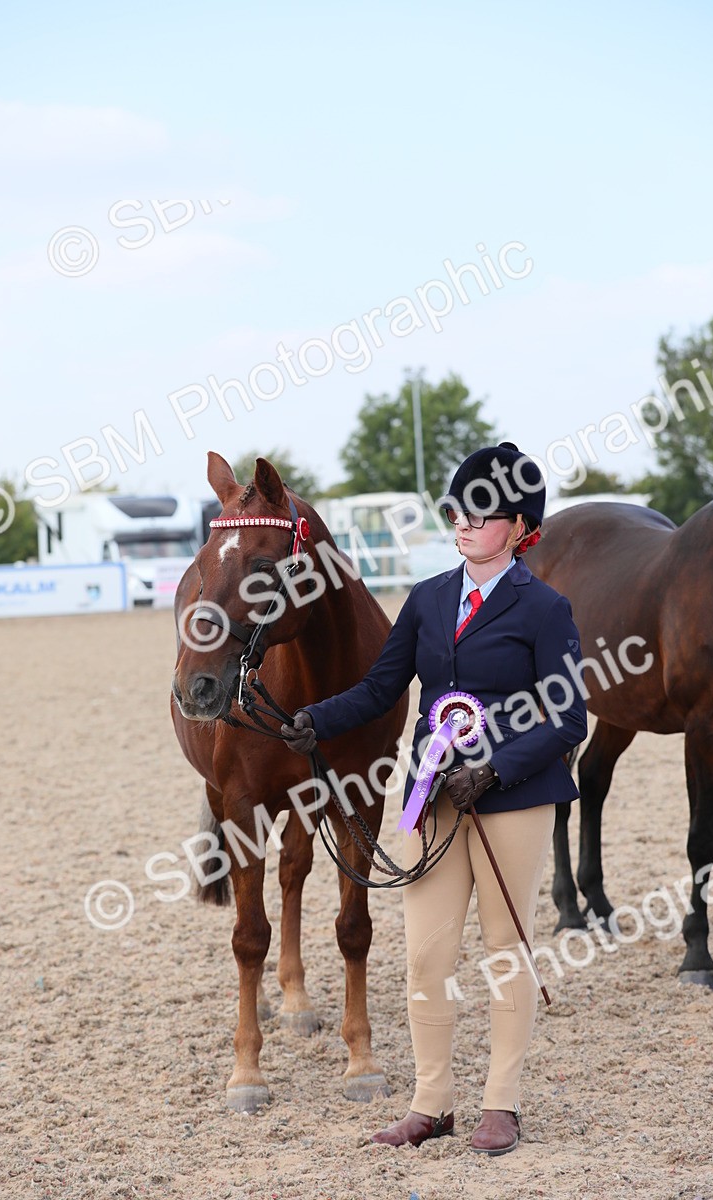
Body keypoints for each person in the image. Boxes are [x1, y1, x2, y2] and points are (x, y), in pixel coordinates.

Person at [281, 442, 587, 1154]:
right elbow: (381, 688)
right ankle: (432, 1104)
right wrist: (316, 719)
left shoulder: (545, 609)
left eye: (482, 513)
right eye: (457, 511)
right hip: (433, 799)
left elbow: (568, 717)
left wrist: (496, 769)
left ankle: (502, 1104)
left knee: (506, 949)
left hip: (513, 801)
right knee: (425, 956)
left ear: (519, 527)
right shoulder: (426, 599)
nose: (464, 523)